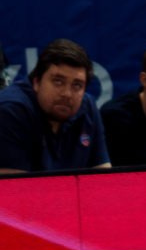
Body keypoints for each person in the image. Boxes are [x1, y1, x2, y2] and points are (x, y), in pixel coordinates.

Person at [0, 39, 110, 175]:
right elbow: (14, 186)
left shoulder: (88, 107)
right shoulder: (10, 111)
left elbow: (104, 177)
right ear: (37, 82)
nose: (67, 94)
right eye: (58, 81)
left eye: (77, 85)